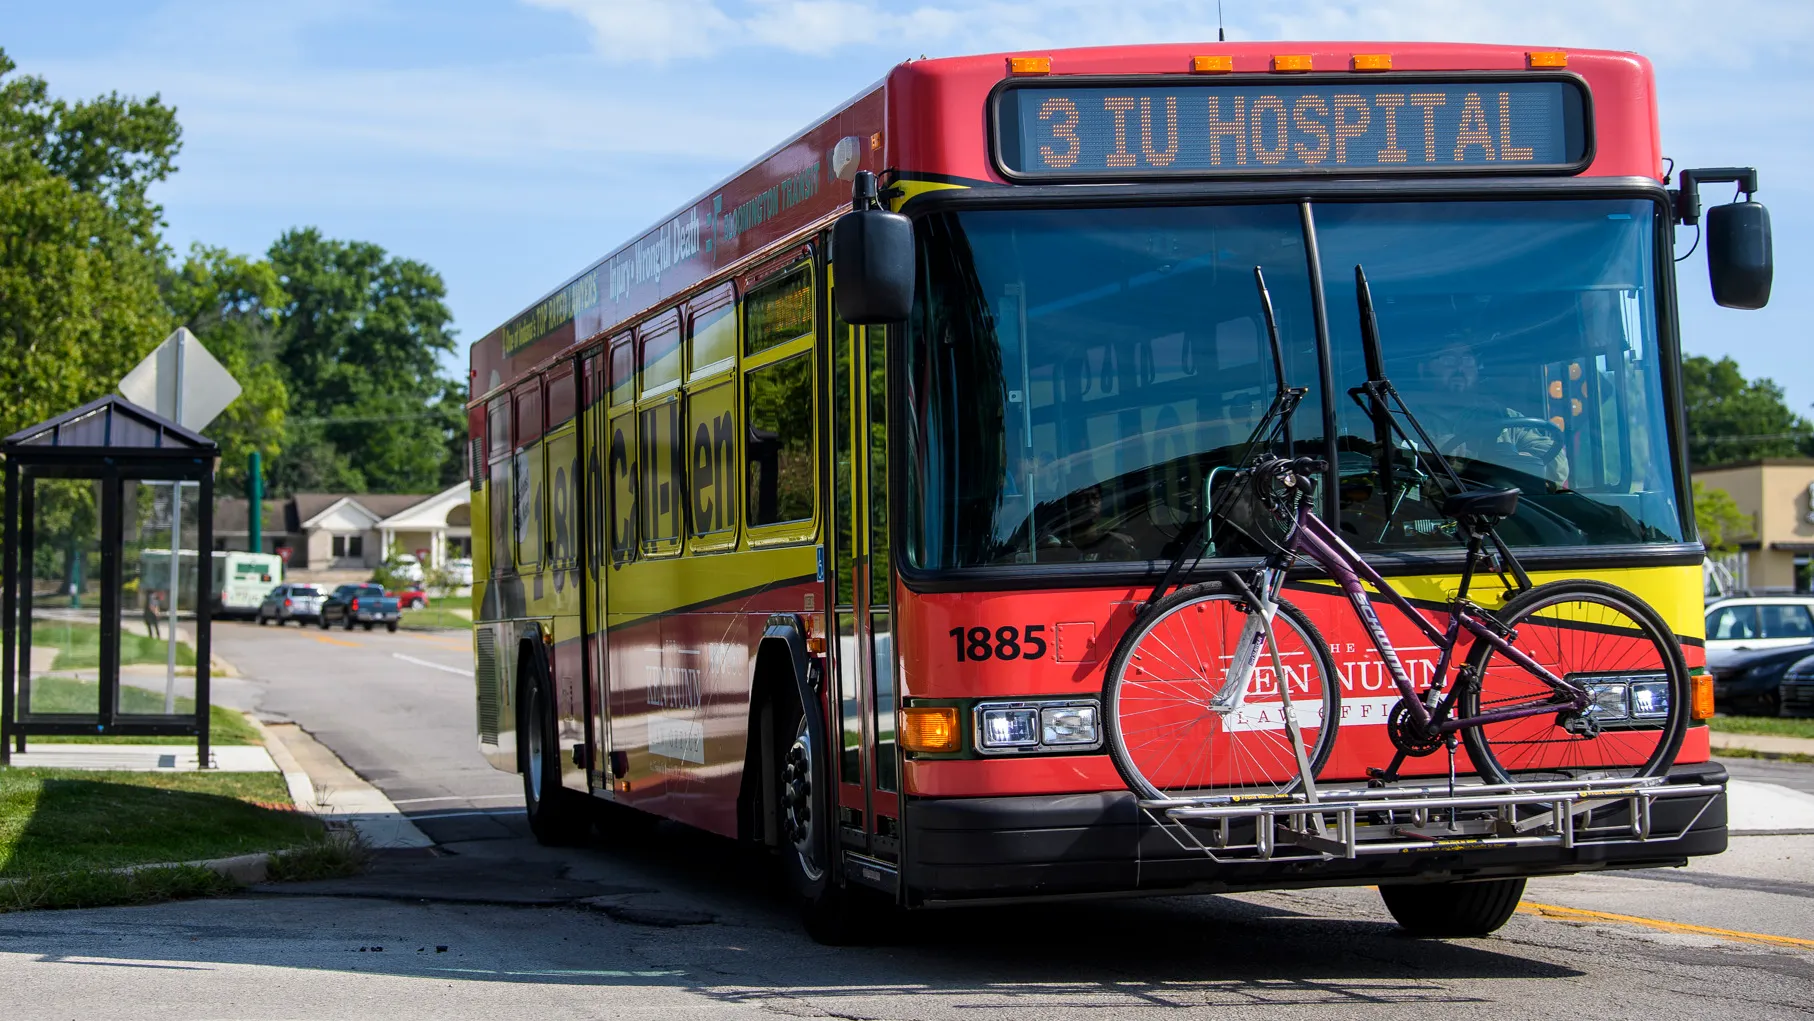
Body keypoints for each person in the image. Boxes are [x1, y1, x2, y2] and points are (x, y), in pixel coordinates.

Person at [1412, 337, 1569, 484]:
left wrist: (1518, 461)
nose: (1460, 368)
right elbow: (1394, 468)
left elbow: (1556, 460)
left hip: (1497, 509)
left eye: (1467, 359)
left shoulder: (1502, 416)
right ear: (1422, 369)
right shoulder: (1400, 416)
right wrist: (1426, 455)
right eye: (1448, 359)